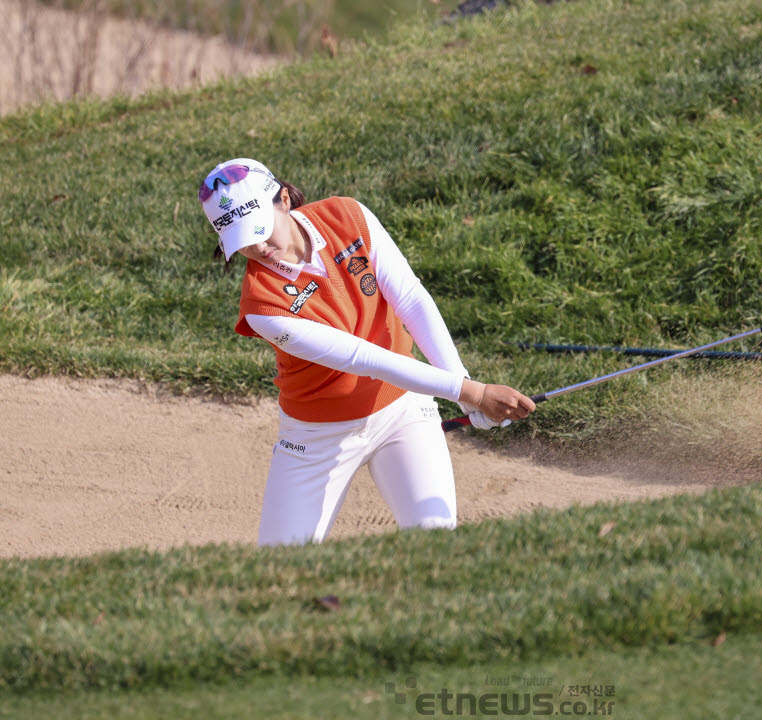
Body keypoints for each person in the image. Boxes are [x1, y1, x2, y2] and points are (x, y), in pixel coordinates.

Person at [199, 158, 536, 546]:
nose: (259, 247)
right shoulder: (262, 307)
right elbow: (362, 357)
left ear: (285, 200)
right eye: (243, 241)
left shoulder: (347, 216)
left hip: (402, 411)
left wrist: (465, 389)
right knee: (281, 571)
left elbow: (411, 300)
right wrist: (473, 394)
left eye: (260, 229)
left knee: (436, 547)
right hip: (315, 438)